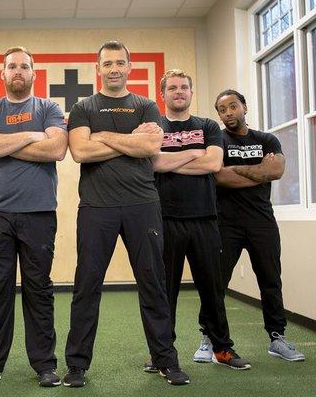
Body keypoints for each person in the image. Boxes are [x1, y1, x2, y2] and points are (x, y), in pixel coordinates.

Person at [64, 41, 189, 387]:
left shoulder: (146, 105)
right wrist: (124, 140)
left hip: (142, 205)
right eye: (108, 63)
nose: (114, 68)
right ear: (98, 68)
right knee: (86, 287)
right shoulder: (83, 106)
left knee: (153, 285)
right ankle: (76, 367)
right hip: (96, 207)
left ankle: (167, 361)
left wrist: (102, 137)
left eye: (120, 62)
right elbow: (80, 151)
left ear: (129, 66)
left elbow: (150, 146)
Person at [0, 46, 68, 389]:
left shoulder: (48, 107)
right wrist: (31, 136)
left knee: (39, 288)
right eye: (12, 66)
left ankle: (45, 365)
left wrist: (3, 142)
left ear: (33, 73)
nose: (18, 71)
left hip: (38, 212)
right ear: (3, 74)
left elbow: (56, 149)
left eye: (24, 66)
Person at [143, 69, 250, 371]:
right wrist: (193, 154)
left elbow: (214, 163)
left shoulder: (207, 125)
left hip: (204, 219)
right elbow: (154, 163)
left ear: (191, 93)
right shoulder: (153, 127)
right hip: (164, 219)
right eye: (173, 87)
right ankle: (162, 353)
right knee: (165, 292)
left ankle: (222, 349)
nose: (179, 92)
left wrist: (171, 161)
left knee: (212, 288)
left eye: (184, 87)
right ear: (162, 94)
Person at [193, 89, 304, 362]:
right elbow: (219, 176)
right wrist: (259, 171)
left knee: (270, 280)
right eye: (222, 109)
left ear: (245, 107)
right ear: (218, 114)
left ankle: (277, 338)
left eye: (233, 106)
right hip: (225, 223)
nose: (229, 112)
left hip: (262, 222)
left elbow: (276, 171)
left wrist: (241, 170)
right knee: (215, 284)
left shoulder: (267, 139)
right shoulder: (217, 138)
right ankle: (209, 338)